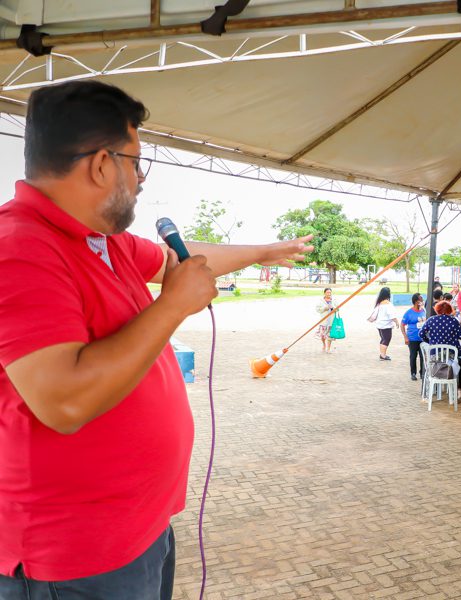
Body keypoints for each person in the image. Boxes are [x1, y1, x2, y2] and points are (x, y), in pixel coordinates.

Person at [0, 81, 313, 596]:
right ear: (102, 164)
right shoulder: (21, 246)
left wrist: (263, 251)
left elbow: (182, 259)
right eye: (136, 161)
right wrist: (171, 306)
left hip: (139, 531)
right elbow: (63, 399)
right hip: (75, 559)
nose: (141, 178)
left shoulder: (105, 241)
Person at [400, 293, 426, 381]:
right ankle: (413, 373)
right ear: (416, 301)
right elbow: (402, 325)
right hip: (413, 338)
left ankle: (422, 373)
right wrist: (405, 337)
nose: (422, 301)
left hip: (423, 339)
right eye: (421, 300)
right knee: (413, 356)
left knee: (423, 356)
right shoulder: (408, 313)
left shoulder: (424, 311)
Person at [372, 287, 400, 360]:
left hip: (379, 325)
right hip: (386, 326)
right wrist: (396, 322)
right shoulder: (387, 304)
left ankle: (382, 354)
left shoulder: (379, 303)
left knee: (383, 339)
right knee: (386, 339)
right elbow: (392, 315)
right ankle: (383, 355)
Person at [315, 287, 337, 353]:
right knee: (323, 335)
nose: (329, 294)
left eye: (330, 292)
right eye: (327, 292)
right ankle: (324, 345)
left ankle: (328, 348)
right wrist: (325, 308)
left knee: (330, 335)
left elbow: (338, 308)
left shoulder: (334, 300)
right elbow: (317, 309)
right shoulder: (320, 301)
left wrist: (333, 308)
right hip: (324, 321)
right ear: (324, 293)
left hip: (331, 321)